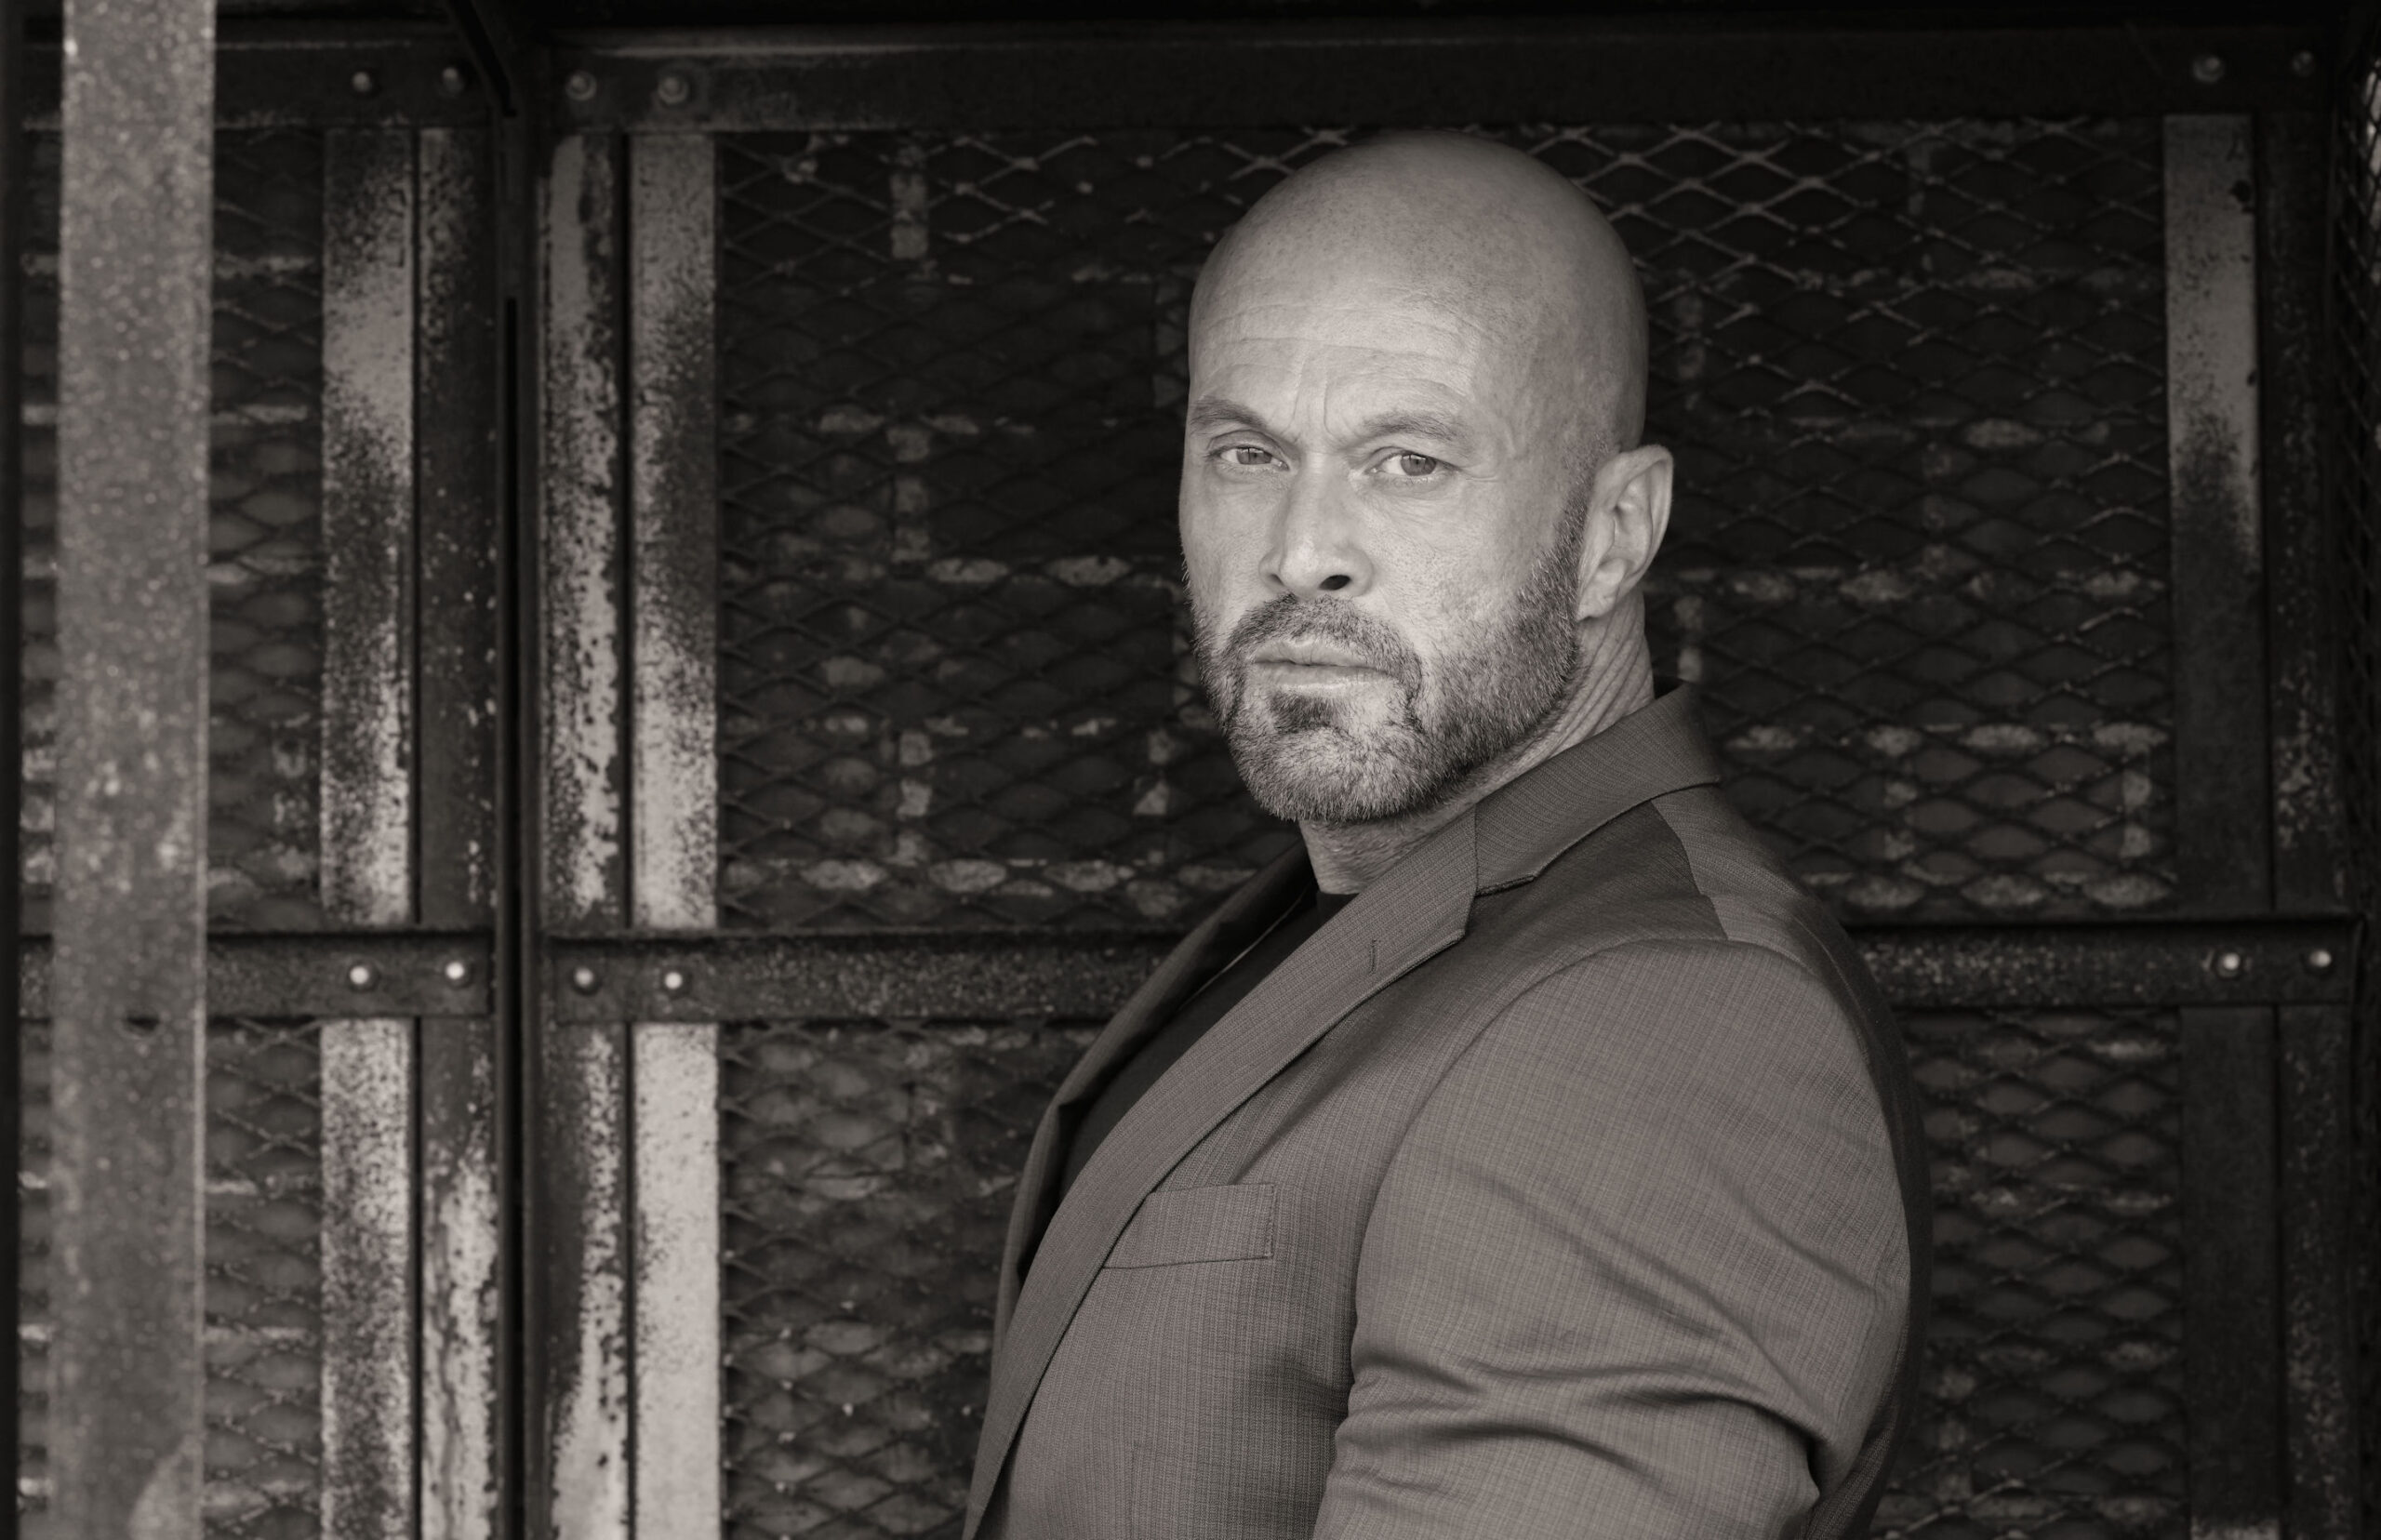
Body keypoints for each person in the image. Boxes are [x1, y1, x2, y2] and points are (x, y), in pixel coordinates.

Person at [964, 131, 1928, 1540]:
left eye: (1407, 462)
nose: (1303, 550)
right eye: (1247, 453)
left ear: (1615, 533)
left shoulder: (1656, 1025)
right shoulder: (1367, 915)